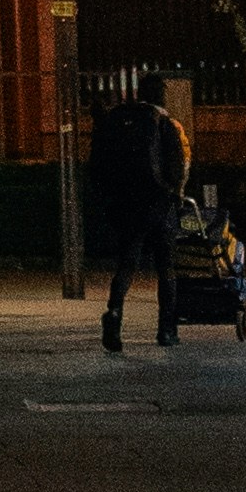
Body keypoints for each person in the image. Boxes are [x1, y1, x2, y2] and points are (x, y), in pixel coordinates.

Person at [86, 81, 191, 353]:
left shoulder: (120, 121)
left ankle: (114, 312)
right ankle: (166, 330)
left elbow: (97, 167)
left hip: (127, 206)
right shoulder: (164, 123)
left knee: (127, 263)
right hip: (159, 204)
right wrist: (176, 194)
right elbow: (177, 165)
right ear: (161, 97)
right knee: (166, 268)